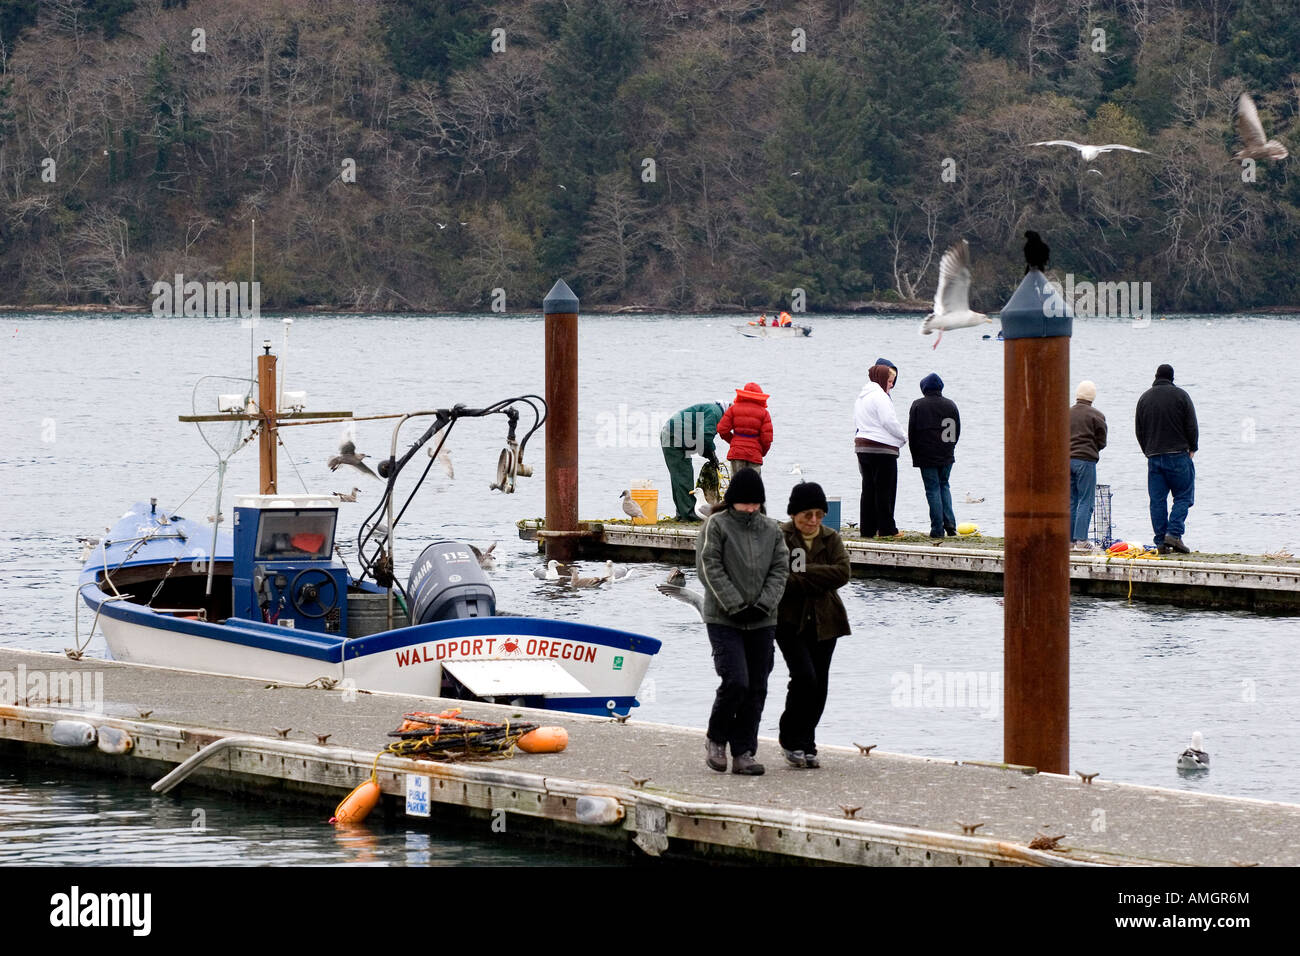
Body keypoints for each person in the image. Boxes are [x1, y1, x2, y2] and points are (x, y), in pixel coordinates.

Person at [697, 468, 789, 775]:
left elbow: (780, 570)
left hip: (763, 619)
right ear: (732, 501)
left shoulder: (772, 529)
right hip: (724, 618)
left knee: (757, 686)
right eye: (744, 503)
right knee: (736, 680)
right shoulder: (716, 525)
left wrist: (764, 604)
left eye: (755, 503)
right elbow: (709, 567)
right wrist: (735, 605)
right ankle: (716, 739)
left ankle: (744, 751)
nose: (750, 508)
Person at [775, 481, 851, 769]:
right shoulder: (780, 537)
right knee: (803, 677)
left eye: (819, 514)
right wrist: (820, 576)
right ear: (795, 514)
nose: (814, 521)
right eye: (808, 515)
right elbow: (781, 577)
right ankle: (789, 738)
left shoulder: (831, 538)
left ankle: (807, 742)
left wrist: (803, 573)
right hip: (789, 620)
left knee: (820, 684)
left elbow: (842, 573)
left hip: (826, 620)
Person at [1135, 364, 1198, 553]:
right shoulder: (1181, 395)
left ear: (1156, 377)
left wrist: (1147, 450)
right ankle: (1173, 533)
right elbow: (1191, 424)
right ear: (1172, 378)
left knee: (1157, 500)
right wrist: (1193, 447)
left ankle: (1161, 542)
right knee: (1183, 496)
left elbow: (1139, 429)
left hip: (1154, 457)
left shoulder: (1144, 398)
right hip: (1178, 454)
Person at [854, 362, 907, 538]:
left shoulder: (861, 397)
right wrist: (903, 437)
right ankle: (887, 529)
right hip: (882, 449)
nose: (891, 385)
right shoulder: (880, 396)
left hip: (862, 447)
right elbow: (888, 421)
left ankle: (867, 529)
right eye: (890, 381)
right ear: (882, 379)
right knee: (884, 489)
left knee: (868, 489)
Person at [907, 373, 961, 538]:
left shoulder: (918, 405)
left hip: (926, 455)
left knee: (932, 489)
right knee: (944, 485)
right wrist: (950, 448)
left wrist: (915, 454)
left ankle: (937, 529)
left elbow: (912, 434)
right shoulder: (951, 405)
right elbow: (956, 431)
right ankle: (950, 525)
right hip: (946, 454)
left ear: (924, 389)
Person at [660, 402, 725, 522]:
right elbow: (705, 437)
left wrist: (709, 454)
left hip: (673, 435)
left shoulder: (714, 410)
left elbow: (702, 439)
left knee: (679, 477)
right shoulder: (716, 413)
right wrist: (711, 453)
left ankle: (682, 513)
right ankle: (689, 514)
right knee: (683, 475)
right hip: (673, 437)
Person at [1069, 381, 1107, 551]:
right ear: (1093, 396)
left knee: (1070, 501)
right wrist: (1093, 449)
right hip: (1086, 461)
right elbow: (1102, 441)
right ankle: (1081, 541)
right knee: (1085, 501)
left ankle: (1069, 542)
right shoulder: (1096, 415)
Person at [717, 382, 773, 474]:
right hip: (755, 455)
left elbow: (722, 429)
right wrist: (761, 452)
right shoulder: (764, 413)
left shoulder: (733, 409)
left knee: (737, 486)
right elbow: (767, 439)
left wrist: (734, 442)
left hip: (737, 453)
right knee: (754, 486)